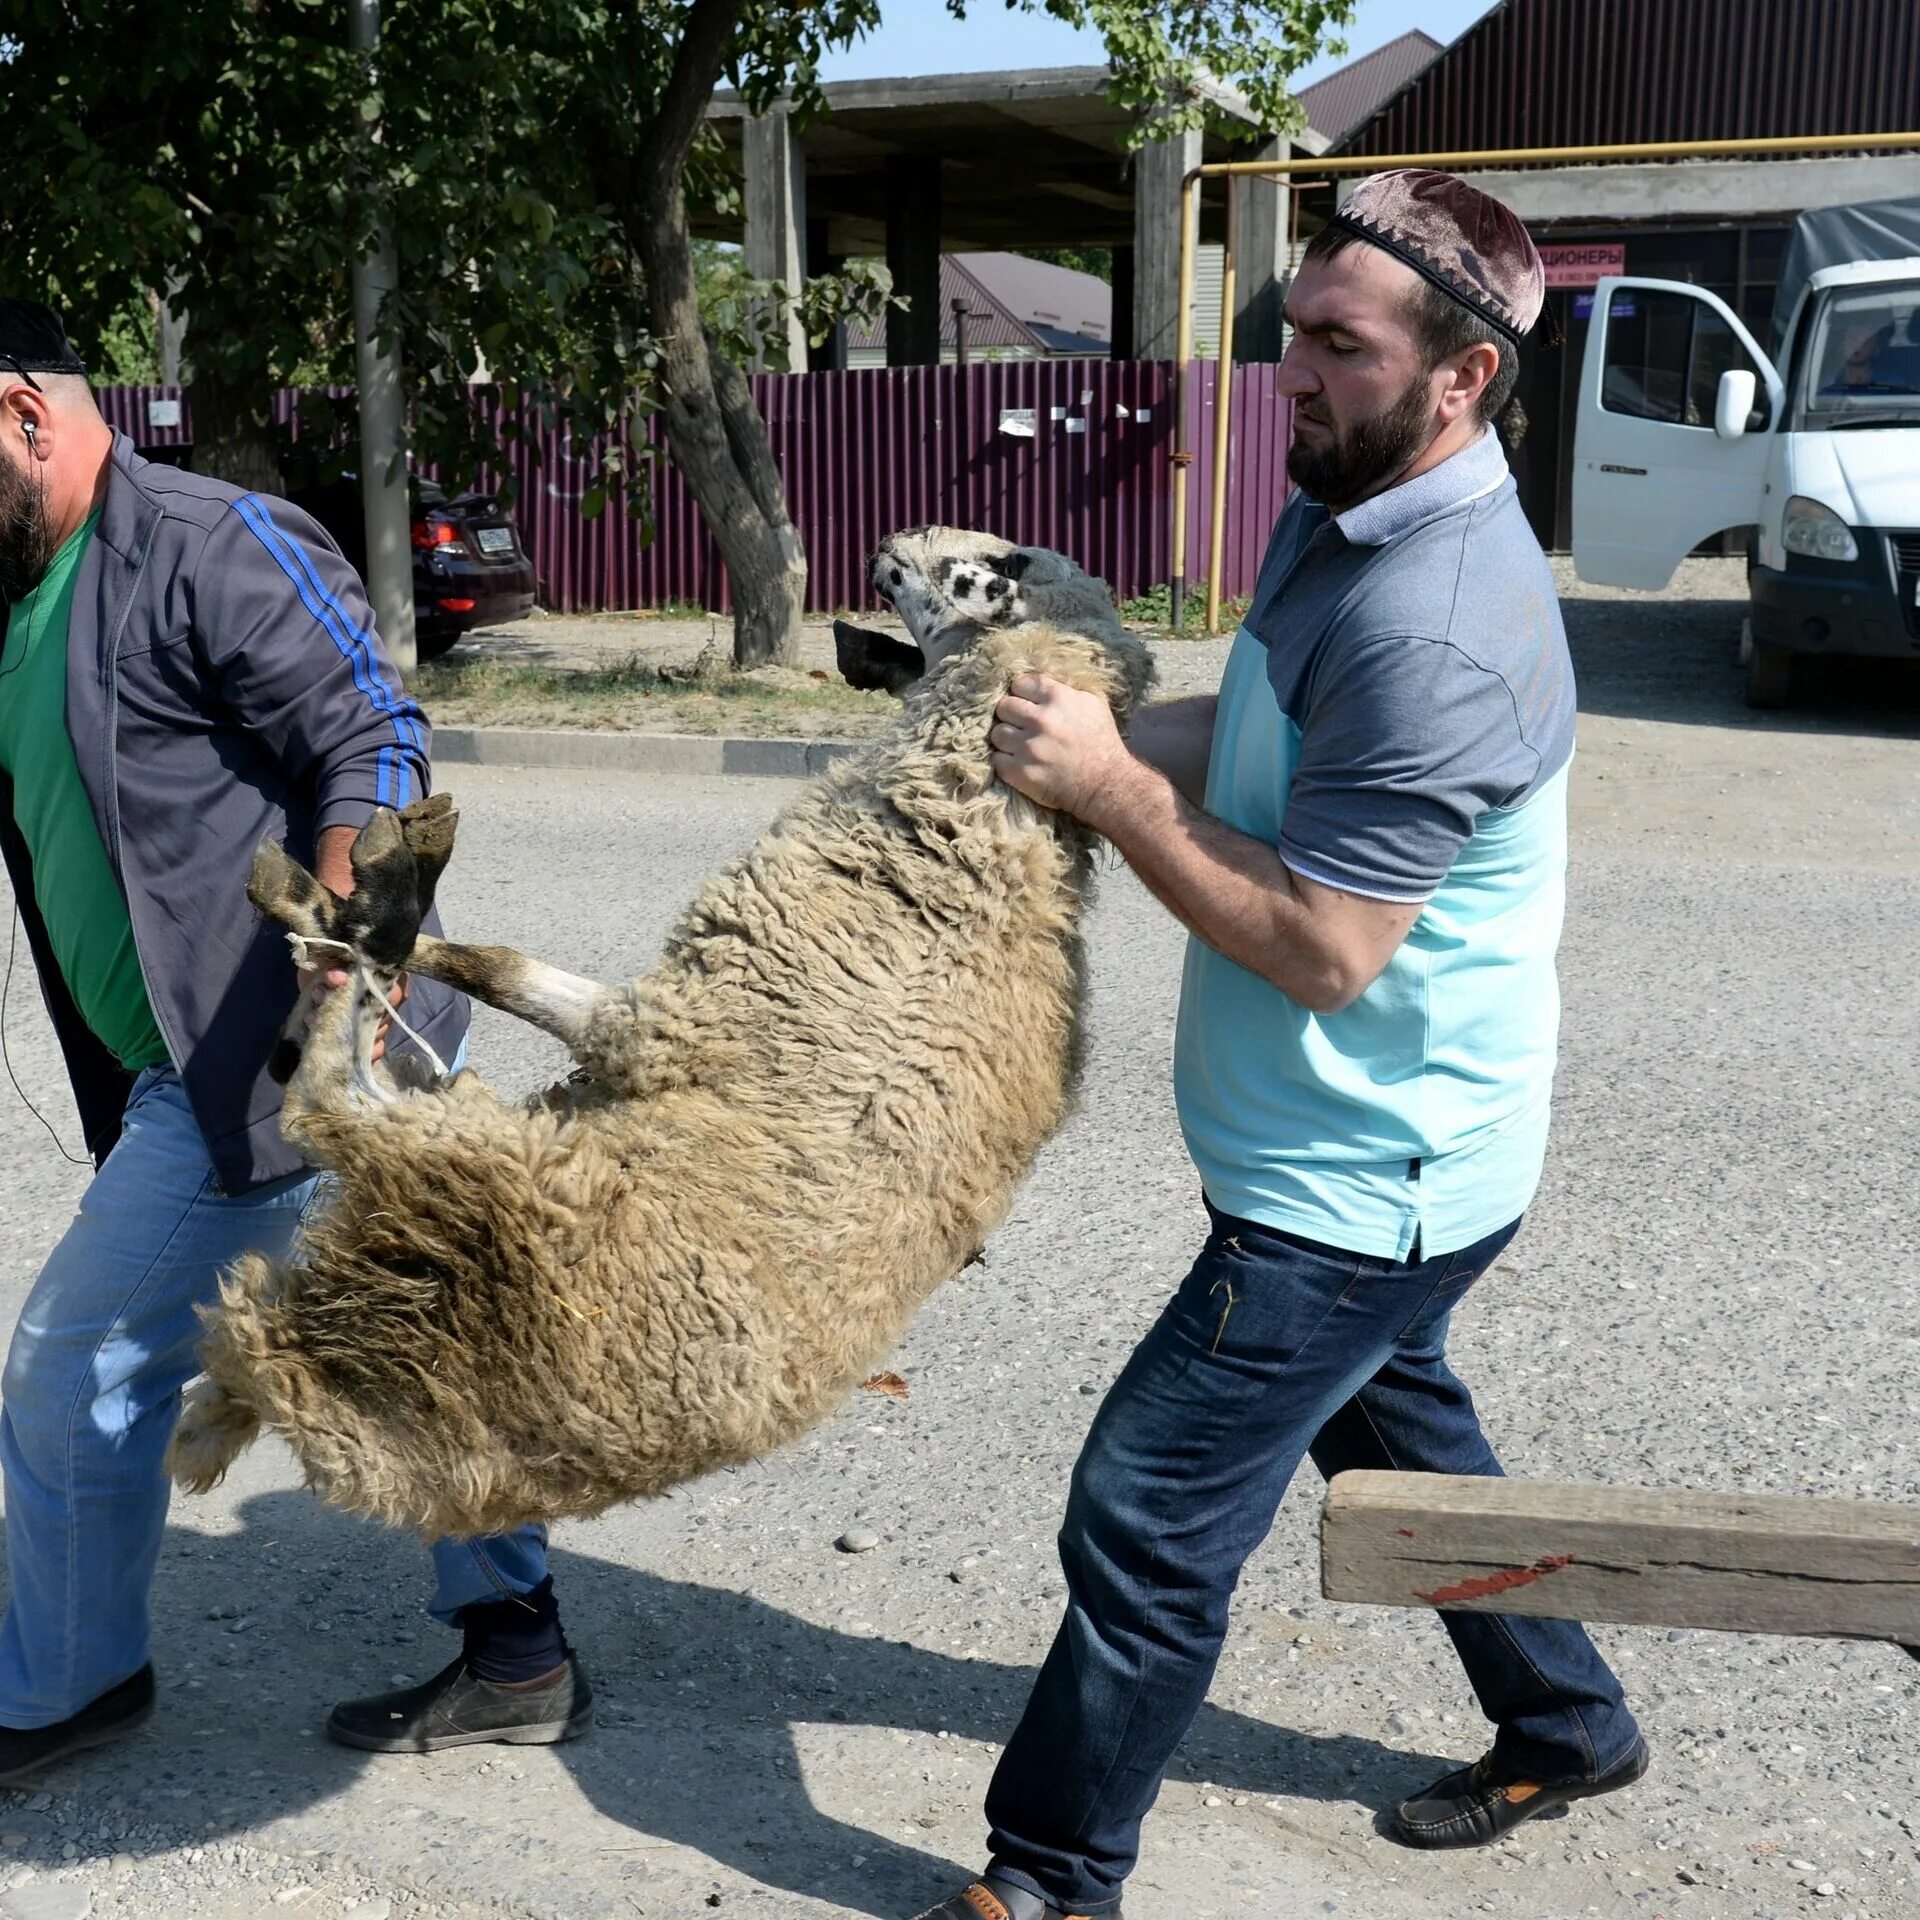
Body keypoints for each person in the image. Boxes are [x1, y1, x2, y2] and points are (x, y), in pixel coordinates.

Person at [912, 172, 1645, 1920]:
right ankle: (1573, 1720)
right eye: (1290, 335)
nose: (1291, 375)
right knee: (1409, 1455)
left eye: (1339, 345)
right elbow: (1250, 735)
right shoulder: (1350, 498)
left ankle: (1047, 1882)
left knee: (1145, 1520)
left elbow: (1326, 946)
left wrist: (1103, 788)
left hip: (1357, 1185)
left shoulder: (1441, 626)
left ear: (1460, 378)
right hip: (1391, 1154)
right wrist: (1062, 734)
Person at [0, 298, 590, 1779]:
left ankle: (63, 1684)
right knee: (418, 1342)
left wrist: (336, 969)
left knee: (79, 1363)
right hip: (184, 1055)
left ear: (21, 413)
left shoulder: (209, 539)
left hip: (282, 1054)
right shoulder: (17, 589)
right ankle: (519, 1653)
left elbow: (376, 736)